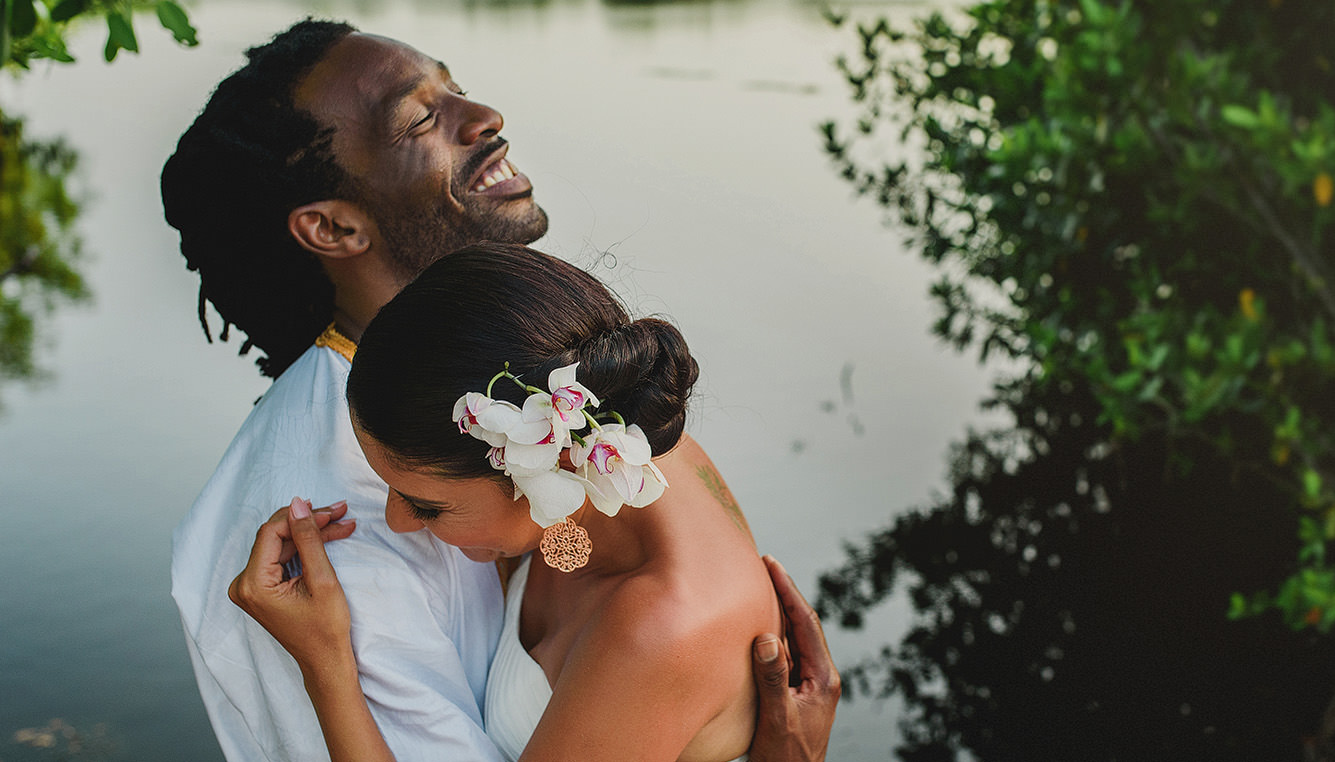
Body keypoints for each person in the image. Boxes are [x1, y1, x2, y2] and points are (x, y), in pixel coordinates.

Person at [160, 19, 837, 762]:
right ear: (331, 225)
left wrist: (329, 667)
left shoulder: (552, 435)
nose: (487, 117)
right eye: (420, 116)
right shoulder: (559, 454)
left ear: (523, 462)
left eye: (422, 504)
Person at [234, 243, 815, 762]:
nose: (395, 521)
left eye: (428, 506)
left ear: (550, 459)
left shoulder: (657, 630)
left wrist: (326, 663)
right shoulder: (617, 435)